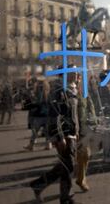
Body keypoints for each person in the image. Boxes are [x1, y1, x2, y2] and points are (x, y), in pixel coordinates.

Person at [30, 68, 79, 204]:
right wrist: (60, 136)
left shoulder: (73, 89)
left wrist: (77, 132)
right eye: (72, 72)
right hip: (63, 134)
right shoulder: (58, 90)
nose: (76, 75)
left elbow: (73, 114)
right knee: (68, 165)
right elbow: (55, 115)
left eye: (76, 72)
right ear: (64, 74)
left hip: (71, 133)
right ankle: (66, 198)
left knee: (65, 165)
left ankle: (39, 184)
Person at [75, 75, 98, 192]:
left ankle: (81, 178)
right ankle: (80, 179)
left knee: (86, 155)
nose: (78, 79)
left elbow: (91, 106)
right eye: (77, 77)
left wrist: (94, 121)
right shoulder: (69, 92)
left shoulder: (83, 92)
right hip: (74, 129)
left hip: (84, 128)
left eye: (79, 77)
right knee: (81, 155)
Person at [24, 77, 52, 151]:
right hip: (47, 114)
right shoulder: (48, 91)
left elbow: (37, 102)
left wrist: (33, 99)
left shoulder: (39, 91)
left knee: (35, 130)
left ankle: (31, 145)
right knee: (46, 131)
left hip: (39, 114)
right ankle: (48, 145)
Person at [98, 70, 110, 163]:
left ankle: (106, 155)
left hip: (105, 114)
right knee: (109, 137)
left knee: (106, 137)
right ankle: (108, 156)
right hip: (108, 115)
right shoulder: (105, 88)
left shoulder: (100, 87)